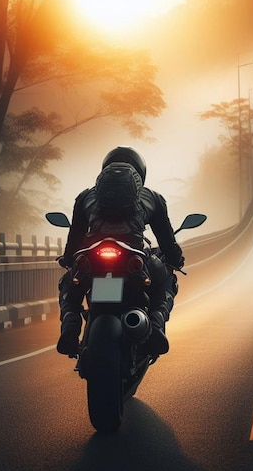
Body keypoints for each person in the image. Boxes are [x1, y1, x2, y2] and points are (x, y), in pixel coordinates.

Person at [56, 146, 184, 357]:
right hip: (133, 259)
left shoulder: (85, 197)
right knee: (165, 281)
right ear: (140, 174)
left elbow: (75, 238)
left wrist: (69, 259)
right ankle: (156, 327)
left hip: (94, 258)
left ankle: (70, 327)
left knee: (70, 285)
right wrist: (175, 260)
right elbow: (166, 240)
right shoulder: (152, 197)